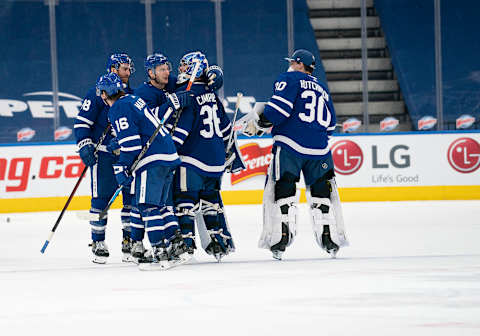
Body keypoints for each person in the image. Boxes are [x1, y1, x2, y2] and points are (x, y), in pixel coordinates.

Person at [241, 49, 349, 260]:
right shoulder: (322, 88)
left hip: (290, 146)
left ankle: (280, 240)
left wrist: (259, 123)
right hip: (320, 150)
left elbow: (278, 110)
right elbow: (330, 124)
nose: (290, 64)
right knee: (321, 196)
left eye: (292, 61)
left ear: (300, 64)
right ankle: (329, 239)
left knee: (284, 191)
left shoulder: (289, 78)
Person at [96, 72, 190, 270]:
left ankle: (160, 254)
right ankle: (177, 248)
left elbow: (131, 146)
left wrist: (122, 167)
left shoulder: (117, 108)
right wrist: (119, 143)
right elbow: (143, 127)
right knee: (161, 206)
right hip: (168, 155)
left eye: (102, 93)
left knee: (147, 206)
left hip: (153, 160)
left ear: (106, 93)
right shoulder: (133, 99)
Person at [169, 51, 235, 261]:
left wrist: (168, 151)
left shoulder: (189, 95)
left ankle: (187, 244)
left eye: (183, 66)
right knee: (210, 201)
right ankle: (217, 242)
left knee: (185, 201)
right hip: (216, 161)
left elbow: (183, 129)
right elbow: (226, 129)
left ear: (191, 68)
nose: (180, 70)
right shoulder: (212, 94)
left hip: (192, 159)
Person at [74, 53, 136, 263]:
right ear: (113, 69)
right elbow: (82, 123)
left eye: (129, 69)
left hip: (126, 155)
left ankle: (130, 241)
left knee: (130, 198)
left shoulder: (132, 94)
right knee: (101, 198)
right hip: (103, 156)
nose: (128, 73)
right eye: (124, 69)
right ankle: (98, 241)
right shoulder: (96, 93)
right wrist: (85, 145)